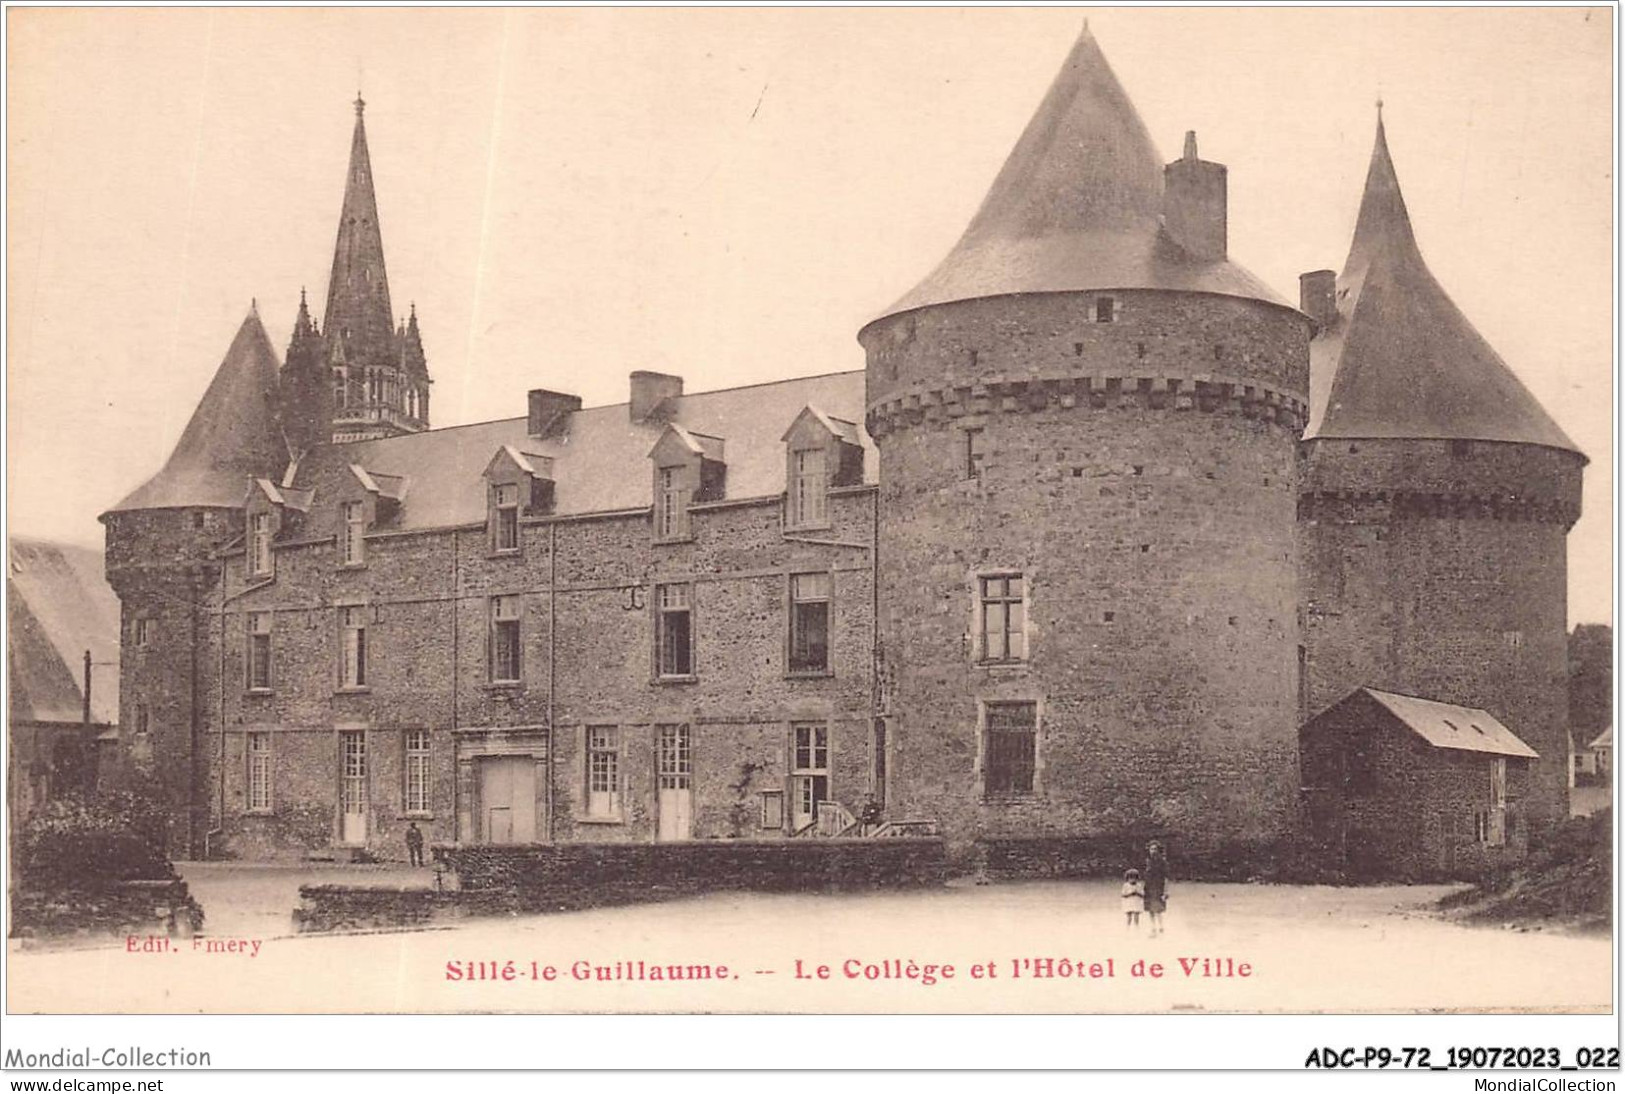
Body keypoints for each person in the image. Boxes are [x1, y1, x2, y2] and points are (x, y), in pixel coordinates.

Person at [1143, 840, 1169, 937]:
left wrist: (1165, 891)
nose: (1152, 851)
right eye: (1151, 849)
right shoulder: (1147, 862)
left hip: (1159, 888)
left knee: (1158, 909)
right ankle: (1153, 928)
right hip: (1148, 888)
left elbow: (1166, 877)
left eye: (1154, 849)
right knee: (1150, 909)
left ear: (1158, 850)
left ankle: (1161, 927)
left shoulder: (1163, 862)